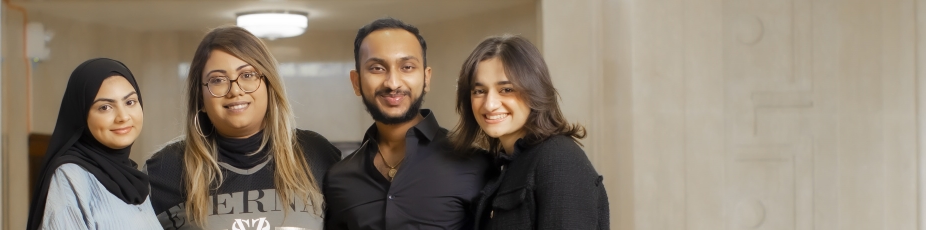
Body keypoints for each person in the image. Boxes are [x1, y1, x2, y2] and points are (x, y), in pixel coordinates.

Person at [145, 25, 341, 230]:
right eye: (218, 80)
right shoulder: (164, 169)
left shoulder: (317, 154)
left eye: (248, 75)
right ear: (200, 98)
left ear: (269, 84)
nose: (235, 90)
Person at [323, 17, 490, 230]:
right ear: (356, 82)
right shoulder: (339, 178)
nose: (393, 83)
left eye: (407, 67)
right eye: (376, 68)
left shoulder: (475, 163)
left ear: (426, 78)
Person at [452, 35, 609, 230]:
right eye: (479, 91)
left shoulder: (558, 158)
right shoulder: (507, 167)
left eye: (506, 89)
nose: (490, 104)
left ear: (534, 91)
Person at [26, 58, 163, 230]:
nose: (123, 117)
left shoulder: (132, 180)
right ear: (82, 114)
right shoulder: (70, 176)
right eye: (105, 107)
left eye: (130, 102)